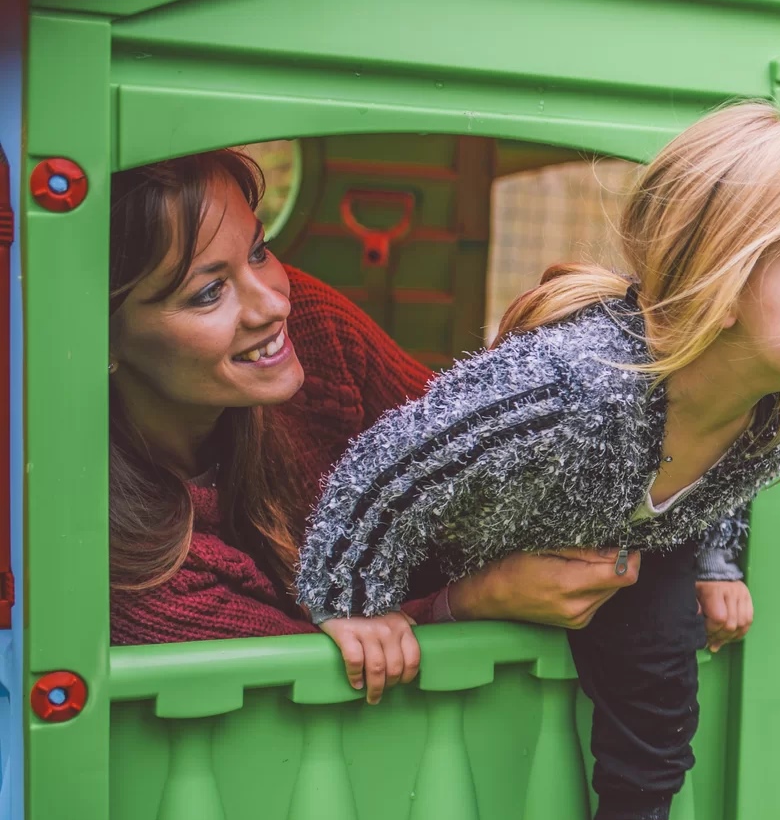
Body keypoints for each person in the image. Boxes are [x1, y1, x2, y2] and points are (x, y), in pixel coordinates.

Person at [294, 104, 780, 820]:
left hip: (621, 539)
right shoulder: (573, 385)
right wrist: (356, 601)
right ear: (721, 279)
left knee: (663, 654)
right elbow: (391, 463)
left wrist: (714, 563)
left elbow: (721, 486)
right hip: (462, 542)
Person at [108, 150, 648, 646]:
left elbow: (469, 453)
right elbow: (295, 676)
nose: (271, 303)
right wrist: (468, 604)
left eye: (258, 251)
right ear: (102, 337)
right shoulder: (132, 563)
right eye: (208, 292)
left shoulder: (311, 332)